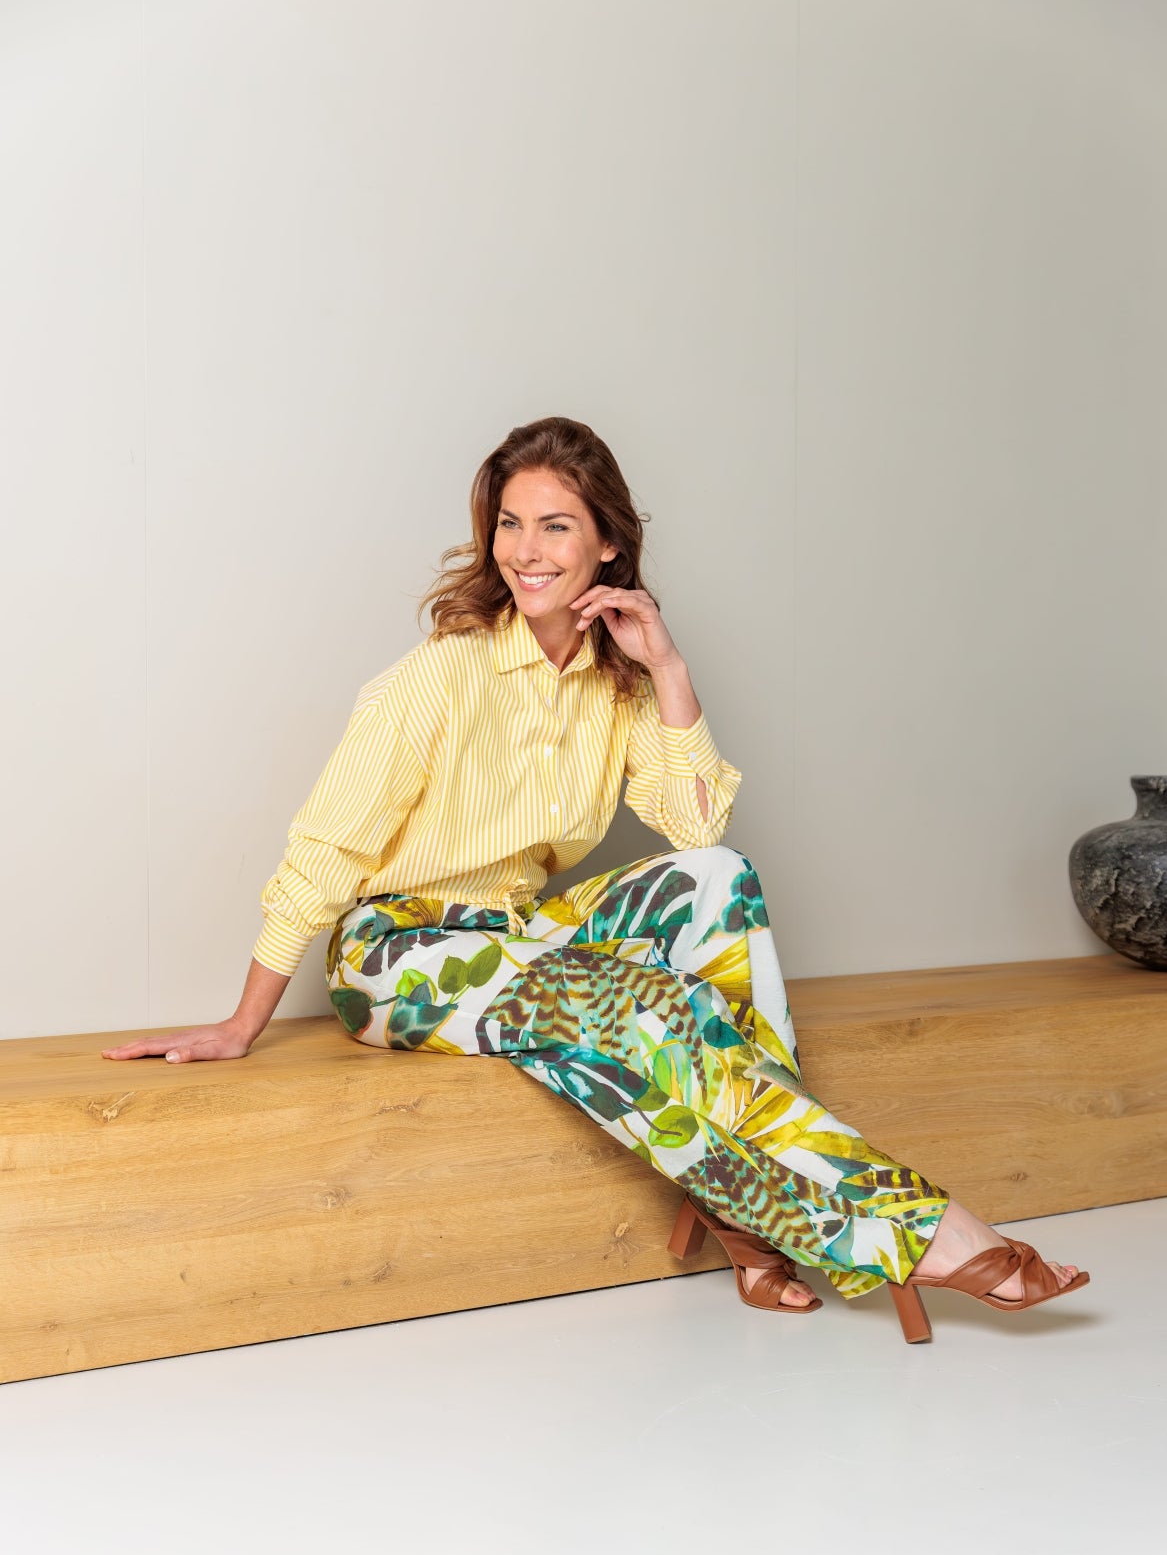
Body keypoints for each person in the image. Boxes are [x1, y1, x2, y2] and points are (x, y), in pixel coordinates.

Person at [104, 416, 1088, 1341]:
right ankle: (925, 1230)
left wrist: (667, 670)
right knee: (646, 1004)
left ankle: (747, 1212)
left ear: (607, 545)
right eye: (509, 524)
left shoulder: (616, 681)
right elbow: (327, 848)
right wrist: (243, 1022)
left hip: (518, 931)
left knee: (718, 878)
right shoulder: (437, 676)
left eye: (555, 526)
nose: (525, 551)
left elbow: (695, 831)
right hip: (396, 953)